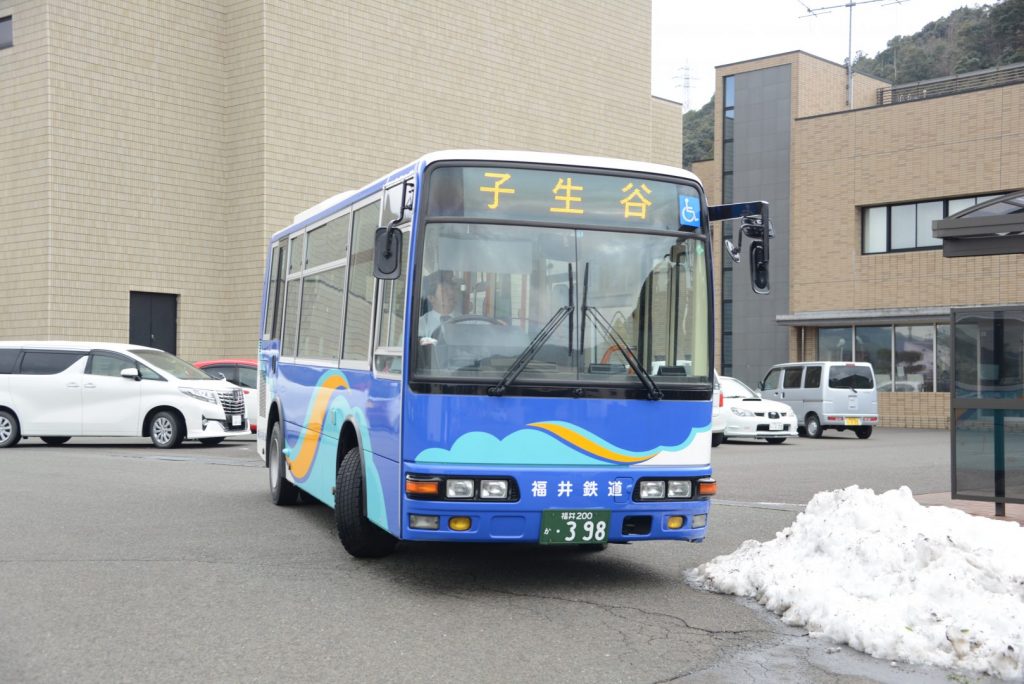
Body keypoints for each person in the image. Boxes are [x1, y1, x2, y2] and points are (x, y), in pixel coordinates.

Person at [418, 273, 461, 338]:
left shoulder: (465, 321)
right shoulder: (421, 325)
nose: (452, 293)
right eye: (444, 290)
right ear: (431, 298)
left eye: (452, 288)